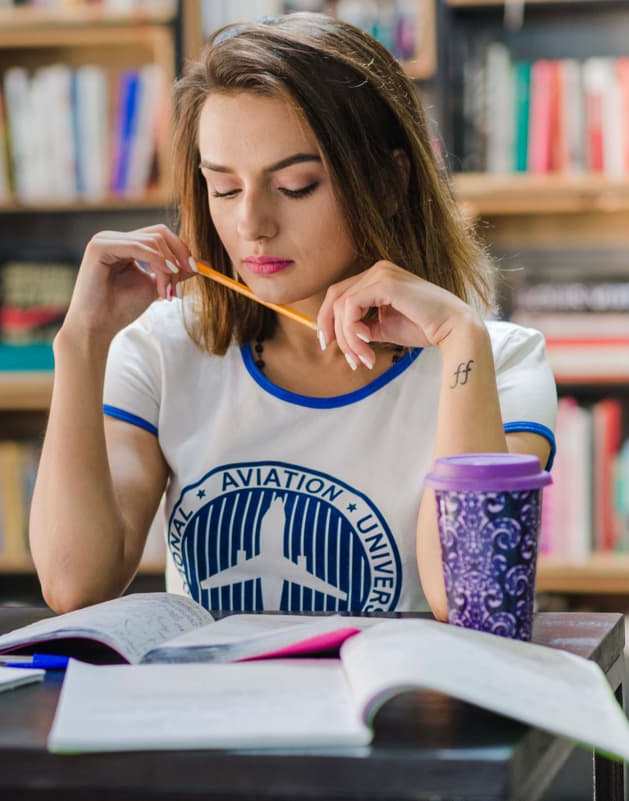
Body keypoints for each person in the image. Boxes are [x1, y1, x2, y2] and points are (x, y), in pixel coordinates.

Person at [29, 13, 557, 620]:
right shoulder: (162, 349)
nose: (252, 223)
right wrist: (80, 343)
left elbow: (470, 601)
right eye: (224, 189)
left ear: (387, 183)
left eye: (297, 185)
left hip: (391, 713)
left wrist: (460, 338)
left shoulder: (503, 362)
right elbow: (74, 584)